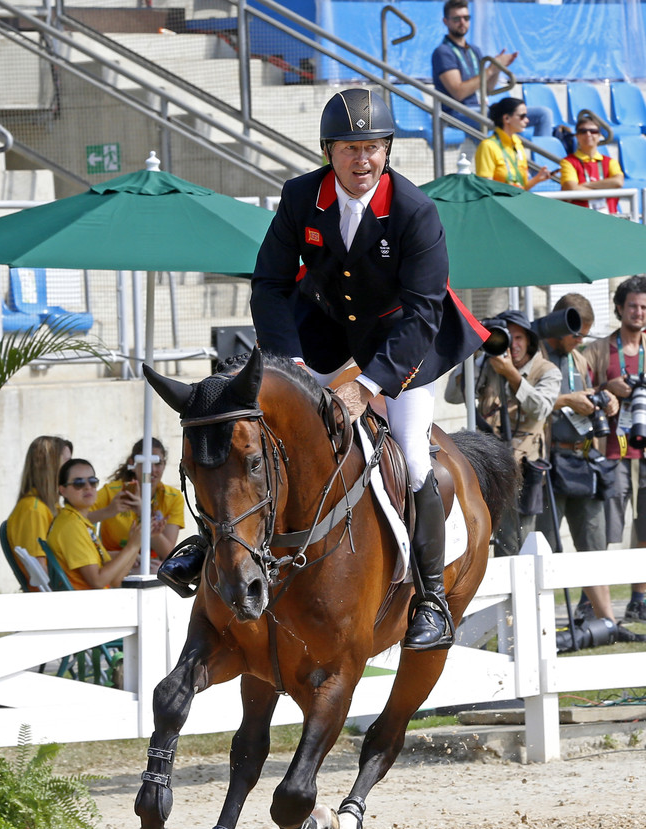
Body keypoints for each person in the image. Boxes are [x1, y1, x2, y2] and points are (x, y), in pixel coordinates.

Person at [160, 88, 490, 651]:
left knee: (413, 457)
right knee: (247, 433)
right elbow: (268, 282)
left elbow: (422, 312)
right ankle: (206, 542)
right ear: (328, 152)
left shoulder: (414, 211)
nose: (361, 160)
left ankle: (430, 597)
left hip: (400, 348)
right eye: (348, 149)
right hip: (320, 339)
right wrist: (285, 359)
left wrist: (367, 387)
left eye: (372, 148)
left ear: (386, 150)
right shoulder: (299, 197)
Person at [445, 310, 561, 556]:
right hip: (486, 466)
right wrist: (473, 353)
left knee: (516, 541)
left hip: (525, 466)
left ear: (530, 340)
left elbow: (541, 409)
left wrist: (512, 375)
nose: (512, 344)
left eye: (518, 338)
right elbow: (452, 396)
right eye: (505, 336)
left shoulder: (547, 370)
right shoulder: (485, 363)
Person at [537, 293, 622, 625]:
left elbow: (590, 395)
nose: (580, 340)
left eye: (585, 334)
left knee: (594, 543)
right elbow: (527, 402)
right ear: (560, 324)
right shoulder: (536, 354)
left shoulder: (579, 359)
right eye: (576, 333)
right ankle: (541, 626)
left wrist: (606, 401)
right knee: (545, 546)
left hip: (584, 460)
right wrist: (565, 401)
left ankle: (605, 621)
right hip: (548, 459)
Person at [583, 276, 646, 622]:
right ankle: (592, 600)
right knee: (606, 529)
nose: (639, 312)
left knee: (645, 529)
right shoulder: (599, 349)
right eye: (633, 306)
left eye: (644, 307)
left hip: (645, 453)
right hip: (610, 453)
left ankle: (639, 599)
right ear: (620, 308)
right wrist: (607, 386)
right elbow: (580, 388)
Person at [431, 1, 552, 135]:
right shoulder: (443, 52)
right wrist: (490, 70)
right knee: (508, 116)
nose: (462, 22)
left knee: (543, 114)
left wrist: (497, 69)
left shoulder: (474, 50)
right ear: (445, 21)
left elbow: (487, 89)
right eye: (456, 19)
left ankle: (539, 156)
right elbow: (458, 93)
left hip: (480, 108)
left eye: (466, 18)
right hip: (458, 113)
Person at [47, 458, 141, 590]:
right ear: (63, 491)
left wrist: (136, 543)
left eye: (92, 481)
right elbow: (97, 581)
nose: (87, 487)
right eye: (78, 483)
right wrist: (132, 546)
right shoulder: (71, 526)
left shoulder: (78, 521)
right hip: (88, 605)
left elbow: (115, 579)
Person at [92, 438, 184, 569]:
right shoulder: (111, 492)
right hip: (115, 562)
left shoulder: (173, 497)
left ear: (164, 465)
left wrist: (143, 514)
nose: (152, 470)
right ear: (132, 463)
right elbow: (77, 519)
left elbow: (168, 553)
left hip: (153, 565)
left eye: (157, 463)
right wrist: (108, 511)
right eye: (144, 463)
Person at [6, 436, 74, 578]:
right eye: (67, 463)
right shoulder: (34, 510)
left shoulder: (48, 506)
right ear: (48, 466)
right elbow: (40, 573)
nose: (73, 469)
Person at [475, 97, 551, 190]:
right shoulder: (488, 146)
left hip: (517, 201)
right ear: (506, 118)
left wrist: (537, 179)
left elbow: (520, 187)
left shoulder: (518, 143)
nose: (527, 120)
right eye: (522, 116)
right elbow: (486, 188)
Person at [560, 111, 624, 214]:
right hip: (580, 220)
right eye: (583, 131)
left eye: (593, 131)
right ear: (577, 136)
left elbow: (618, 182)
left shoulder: (610, 162)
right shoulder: (568, 162)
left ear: (599, 136)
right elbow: (573, 189)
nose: (588, 134)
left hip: (609, 220)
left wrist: (585, 185)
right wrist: (605, 190)